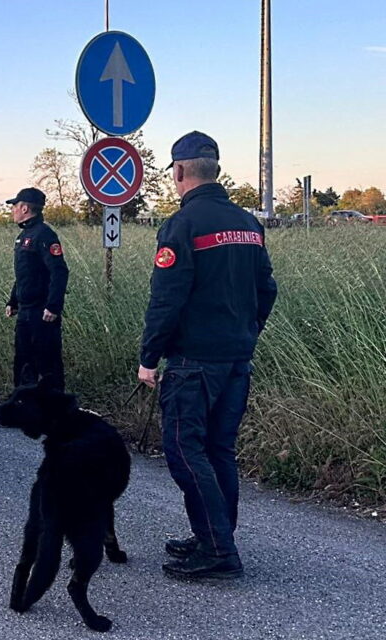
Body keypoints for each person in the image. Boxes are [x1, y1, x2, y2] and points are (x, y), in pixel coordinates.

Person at [138, 131, 278, 580]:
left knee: (184, 450)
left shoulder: (182, 226)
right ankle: (215, 536)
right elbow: (266, 290)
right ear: (215, 168)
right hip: (237, 358)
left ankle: (218, 549)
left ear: (179, 172)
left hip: (194, 362)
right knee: (219, 451)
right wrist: (246, 332)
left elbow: (167, 300)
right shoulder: (248, 224)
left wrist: (148, 358)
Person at [4, 187, 69, 391]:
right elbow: (25, 274)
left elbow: (60, 272)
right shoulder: (23, 236)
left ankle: (55, 413)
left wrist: (53, 306)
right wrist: (13, 301)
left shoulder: (44, 235)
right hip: (25, 310)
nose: (12, 210)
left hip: (42, 313)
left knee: (48, 365)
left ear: (24, 208)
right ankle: (23, 410)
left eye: (14, 206)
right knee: (23, 363)